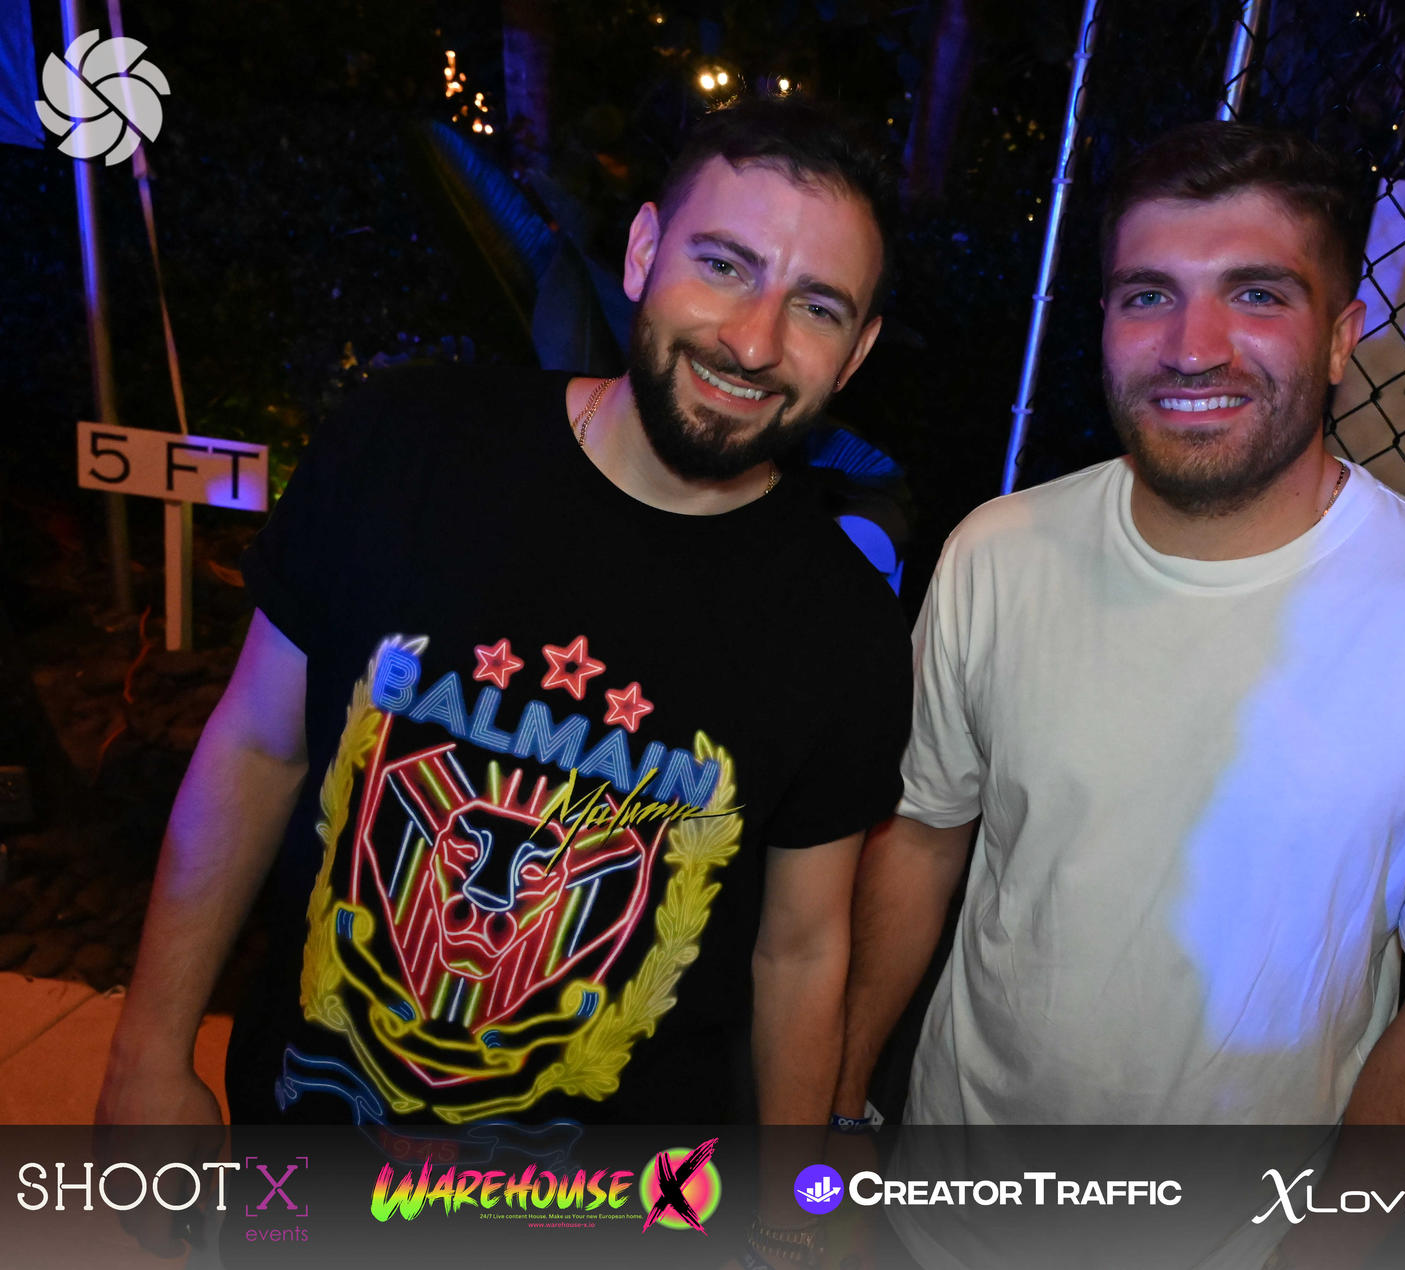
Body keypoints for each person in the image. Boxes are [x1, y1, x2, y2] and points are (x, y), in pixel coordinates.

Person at [96, 96, 912, 1128]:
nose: (754, 342)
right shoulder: (405, 448)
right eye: (723, 265)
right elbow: (256, 750)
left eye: (817, 307)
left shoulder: (846, 626)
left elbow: (799, 950)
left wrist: (795, 1199)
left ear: (856, 352)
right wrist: (147, 1052)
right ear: (643, 253)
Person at [833, 121, 1405, 1127]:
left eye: (1257, 295)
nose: (1191, 348)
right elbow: (923, 836)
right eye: (1148, 295)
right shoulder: (997, 553)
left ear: (1340, 338)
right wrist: (835, 1108)